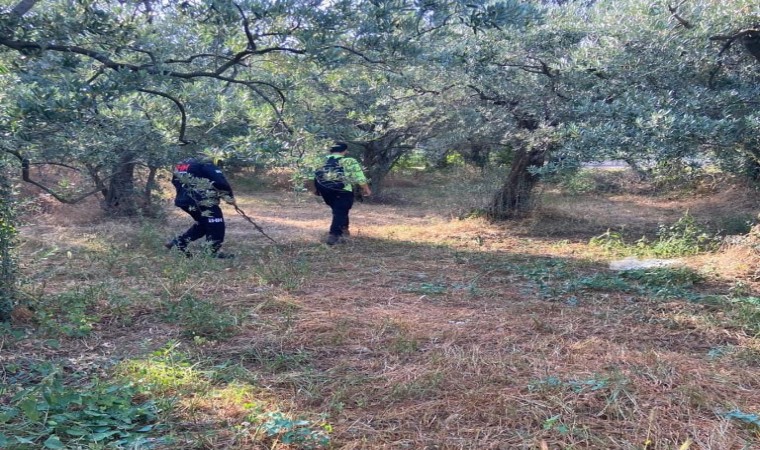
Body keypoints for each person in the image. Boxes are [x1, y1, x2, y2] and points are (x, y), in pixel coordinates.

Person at [165, 155, 236, 258]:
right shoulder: (206, 163)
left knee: (204, 224)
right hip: (203, 201)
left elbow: (175, 181)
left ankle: (178, 243)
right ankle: (210, 253)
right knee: (216, 225)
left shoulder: (183, 163)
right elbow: (220, 182)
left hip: (184, 201)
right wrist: (230, 197)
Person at [312, 142, 372, 245]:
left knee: (340, 210)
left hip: (325, 190)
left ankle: (344, 229)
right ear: (344, 151)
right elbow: (359, 177)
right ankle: (334, 235)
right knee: (340, 211)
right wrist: (366, 189)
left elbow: (312, 177)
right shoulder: (349, 161)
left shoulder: (321, 160)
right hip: (343, 190)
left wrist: (315, 190)